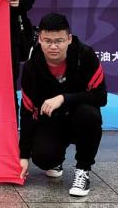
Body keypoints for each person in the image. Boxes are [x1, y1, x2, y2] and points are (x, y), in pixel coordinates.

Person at [18, 13, 106, 197]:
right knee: (43, 158)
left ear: (69, 39)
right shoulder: (31, 67)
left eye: (59, 41)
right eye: (47, 41)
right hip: (52, 121)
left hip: (79, 117)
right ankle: (56, 159)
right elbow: (27, 111)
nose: (53, 46)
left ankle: (83, 170)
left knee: (89, 114)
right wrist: (23, 156)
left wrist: (63, 98)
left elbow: (100, 97)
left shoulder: (85, 56)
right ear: (40, 39)